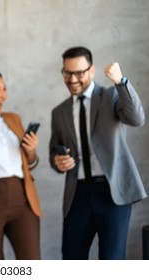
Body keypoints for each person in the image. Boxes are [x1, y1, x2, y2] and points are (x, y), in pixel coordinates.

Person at [49, 46, 147, 260]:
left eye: (79, 73)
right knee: (72, 259)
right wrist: (58, 161)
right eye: (67, 73)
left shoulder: (111, 95)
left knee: (112, 262)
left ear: (91, 71)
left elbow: (137, 118)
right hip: (78, 194)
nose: (72, 79)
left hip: (113, 192)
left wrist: (121, 81)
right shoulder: (59, 112)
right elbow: (53, 152)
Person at [0, 70, 43, 260]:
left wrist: (30, 151)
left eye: (4, 89)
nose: (3, 94)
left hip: (23, 200)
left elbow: (29, 162)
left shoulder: (13, 119)